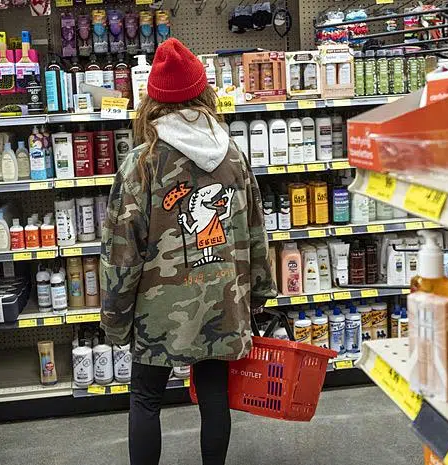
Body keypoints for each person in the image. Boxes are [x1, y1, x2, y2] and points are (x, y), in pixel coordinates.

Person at [100, 38, 277, 465]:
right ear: (204, 93)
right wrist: (258, 294)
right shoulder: (232, 155)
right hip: (223, 299)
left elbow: (122, 253)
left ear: (153, 101)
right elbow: (255, 231)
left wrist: (115, 320)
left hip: (159, 309)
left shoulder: (142, 163)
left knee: (145, 397)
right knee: (214, 393)